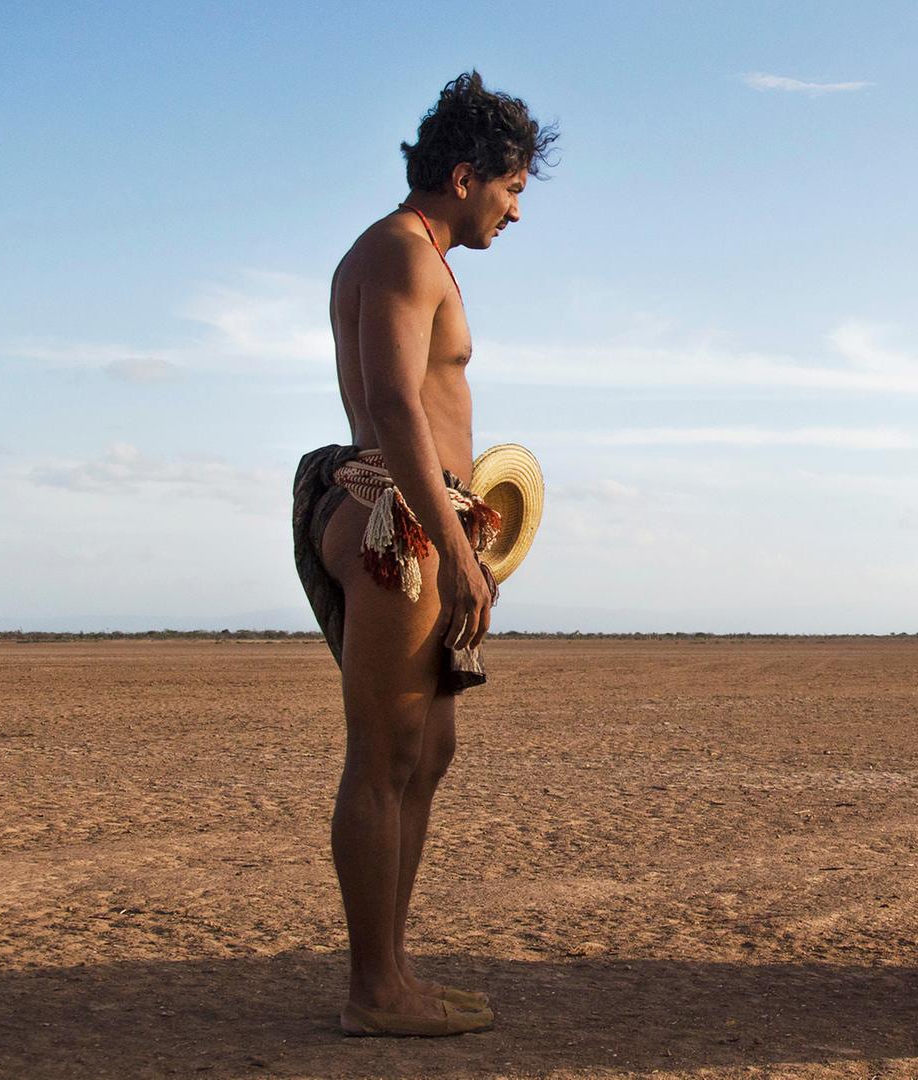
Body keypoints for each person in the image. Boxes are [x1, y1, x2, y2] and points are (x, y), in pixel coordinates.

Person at [291, 71, 556, 1037]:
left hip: (419, 511)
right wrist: (450, 544)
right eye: (512, 189)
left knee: (426, 751)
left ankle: (392, 973)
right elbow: (399, 403)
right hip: (395, 521)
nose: (516, 211)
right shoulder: (402, 253)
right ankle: (373, 991)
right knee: (384, 754)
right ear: (463, 173)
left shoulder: (417, 257)